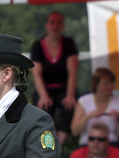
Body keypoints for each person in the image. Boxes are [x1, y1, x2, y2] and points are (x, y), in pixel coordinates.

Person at [30, 11, 79, 148]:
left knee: (70, 106)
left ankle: (58, 147)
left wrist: (70, 95)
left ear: (63, 26)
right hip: (45, 89)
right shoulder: (38, 46)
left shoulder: (69, 44)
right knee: (43, 110)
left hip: (64, 87)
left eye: (59, 22)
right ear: (46, 25)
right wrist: (44, 96)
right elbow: (36, 74)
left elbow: (73, 71)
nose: (55, 26)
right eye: (52, 22)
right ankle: (47, 147)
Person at [71, 67, 119, 150]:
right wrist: (88, 116)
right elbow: (75, 131)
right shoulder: (83, 101)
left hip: (111, 146)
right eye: (106, 84)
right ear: (96, 85)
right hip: (87, 145)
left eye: (112, 83)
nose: (110, 86)